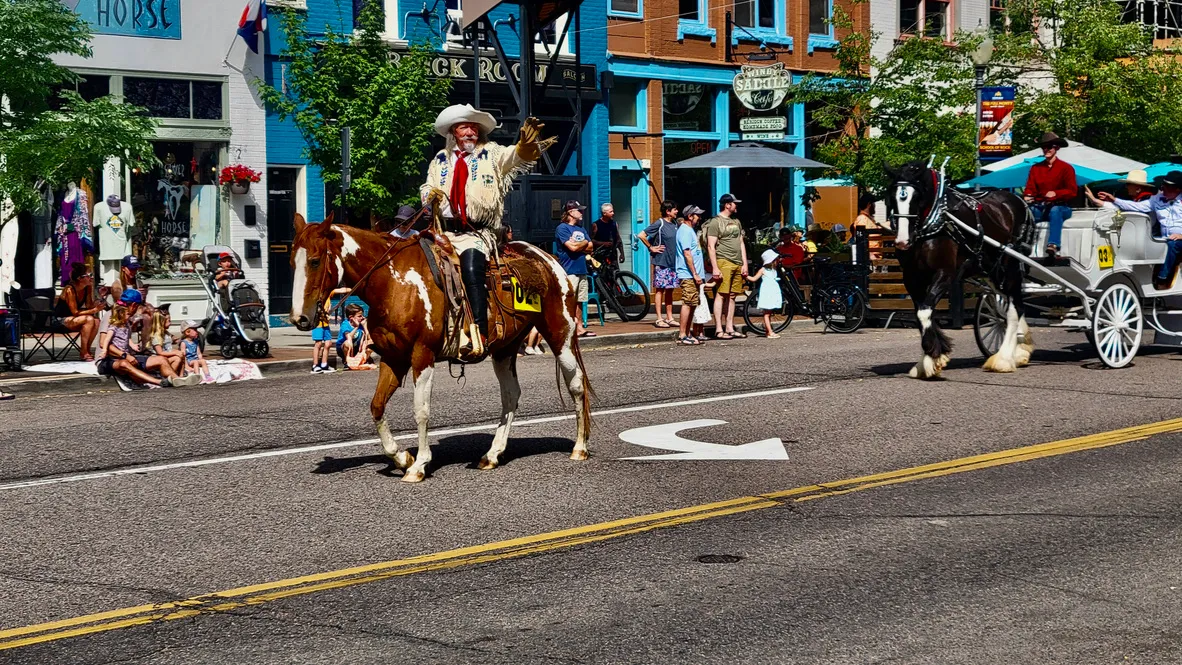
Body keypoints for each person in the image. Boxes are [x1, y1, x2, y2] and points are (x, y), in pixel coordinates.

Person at [420, 104, 554, 358]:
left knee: (471, 268)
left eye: (474, 127)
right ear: (453, 132)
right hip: (444, 233)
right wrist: (429, 194)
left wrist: (525, 146)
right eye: (464, 127)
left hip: (477, 232)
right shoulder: (440, 159)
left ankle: (479, 331)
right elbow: (427, 185)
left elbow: (514, 157)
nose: (470, 132)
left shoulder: (491, 153)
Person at [1096, 170, 1182, 289]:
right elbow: (1136, 207)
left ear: (1178, 189)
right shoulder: (1156, 199)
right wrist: (1114, 200)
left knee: (1173, 244)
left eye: (1167, 186)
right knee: (1146, 243)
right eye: (1163, 185)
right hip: (1163, 239)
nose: (1163, 189)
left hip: (1178, 240)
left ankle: (1162, 279)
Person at [95, 291, 199, 388]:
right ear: (133, 305)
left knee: (161, 359)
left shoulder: (126, 318)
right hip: (107, 360)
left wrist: (133, 347)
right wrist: (124, 355)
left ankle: (177, 380)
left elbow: (123, 338)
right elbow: (103, 343)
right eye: (138, 307)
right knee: (124, 364)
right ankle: (160, 382)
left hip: (127, 356)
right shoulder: (111, 316)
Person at [1023, 131, 1078, 257]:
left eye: (1049, 147)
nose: (1046, 150)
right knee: (1025, 212)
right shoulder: (1035, 168)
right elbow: (1029, 189)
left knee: (1055, 210)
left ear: (1056, 148)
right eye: (1044, 147)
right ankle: (1022, 243)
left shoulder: (1066, 168)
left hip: (1062, 206)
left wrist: (1056, 193)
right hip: (1040, 206)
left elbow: (1072, 191)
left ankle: (1053, 244)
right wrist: (1028, 195)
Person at [705, 193, 749, 339]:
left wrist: (744, 263)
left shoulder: (736, 221)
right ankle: (719, 328)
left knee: (732, 296)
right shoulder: (715, 222)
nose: (736, 206)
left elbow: (741, 242)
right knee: (721, 294)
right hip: (723, 260)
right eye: (734, 203)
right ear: (727, 205)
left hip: (737, 262)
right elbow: (711, 246)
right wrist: (715, 267)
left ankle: (730, 327)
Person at [555, 200, 595, 338]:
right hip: (569, 270)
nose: (582, 212)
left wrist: (581, 243)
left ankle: (579, 327)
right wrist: (583, 244)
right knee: (568, 300)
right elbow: (572, 248)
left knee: (579, 301)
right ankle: (569, 328)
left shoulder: (581, 228)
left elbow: (590, 247)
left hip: (581, 269)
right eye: (579, 210)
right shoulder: (562, 228)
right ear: (571, 213)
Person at [638, 201, 681, 329]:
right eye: (674, 209)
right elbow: (641, 235)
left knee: (670, 290)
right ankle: (659, 318)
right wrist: (651, 247)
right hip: (662, 261)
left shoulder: (675, 224)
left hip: (673, 262)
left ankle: (670, 317)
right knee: (660, 290)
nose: (676, 211)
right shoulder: (660, 223)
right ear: (668, 211)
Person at [54, 263, 105, 360]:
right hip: (61, 319)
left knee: (97, 321)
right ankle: (83, 352)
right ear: (80, 278)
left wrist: (100, 298)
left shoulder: (87, 287)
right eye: (89, 276)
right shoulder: (69, 289)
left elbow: (89, 305)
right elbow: (75, 312)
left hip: (75, 318)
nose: (92, 278)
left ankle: (87, 350)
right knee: (89, 319)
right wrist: (95, 310)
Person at [675, 204, 707, 346]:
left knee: (693, 303)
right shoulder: (685, 231)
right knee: (688, 303)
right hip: (688, 274)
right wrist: (694, 273)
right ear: (690, 216)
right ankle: (682, 335)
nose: (699, 218)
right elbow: (687, 254)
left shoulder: (690, 230)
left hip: (694, 275)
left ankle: (688, 333)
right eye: (697, 215)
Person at [746, 249, 785, 339]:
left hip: (772, 292)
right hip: (767, 293)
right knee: (767, 314)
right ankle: (770, 332)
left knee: (769, 313)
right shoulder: (763, 270)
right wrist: (746, 276)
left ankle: (768, 331)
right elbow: (754, 279)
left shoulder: (773, 270)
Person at [311, 287, 350, 373]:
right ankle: (315, 365)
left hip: (325, 323)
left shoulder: (328, 294)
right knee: (318, 343)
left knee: (328, 343)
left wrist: (354, 288)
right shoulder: (316, 296)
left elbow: (341, 290)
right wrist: (328, 316)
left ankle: (324, 365)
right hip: (317, 323)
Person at [145, 307, 185, 378]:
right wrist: (175, 353)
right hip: (159, 359)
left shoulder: (166, 334)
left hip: (167, 356)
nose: (171, 323)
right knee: (177, 358)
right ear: (161, 323)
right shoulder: (156, 337)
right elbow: (160, 352)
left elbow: (170, 343)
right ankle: (170, 376)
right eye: (169, 321)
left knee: (180, 354)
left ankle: (181, 375)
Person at [1085, 169, 1154, 208]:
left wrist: (1114, 200)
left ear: (1138, 188)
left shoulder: (1149, 200)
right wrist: (1095, 200)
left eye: (1128, 184)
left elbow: (1129, 207)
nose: (1126, 187)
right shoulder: (1138, 199)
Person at [337, 304, 376, 370]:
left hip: (357, 348)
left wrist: (365, 326)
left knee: (371, 343)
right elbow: (349, 338)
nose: (362, 317)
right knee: (347, 343)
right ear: (351, 317)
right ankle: (347, 362)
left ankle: (362, 361)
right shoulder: (345, 324)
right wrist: (356, 327)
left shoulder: (362, 324)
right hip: (344, 349)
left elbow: (369, 338)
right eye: (359, 316)